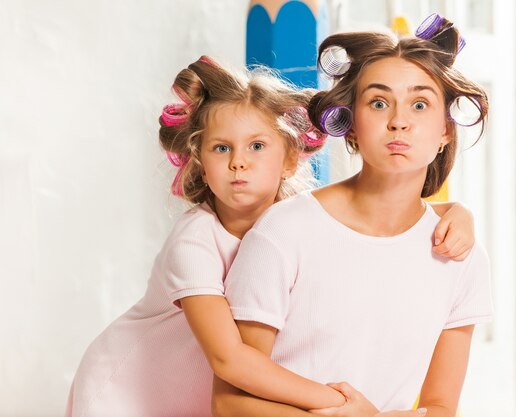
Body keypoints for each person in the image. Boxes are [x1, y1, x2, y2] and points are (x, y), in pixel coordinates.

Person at [65, 55, 474, 417]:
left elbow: (373, 214)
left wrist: (454, 211)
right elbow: (229, 359)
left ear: (289, 158)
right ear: (200, 163)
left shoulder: (291, 223)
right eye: (221, 149)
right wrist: (338, 404)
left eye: (257, 146)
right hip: (125, 395)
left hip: (193, 399)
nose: (239, 163)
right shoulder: (195, 242)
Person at [216, 14, 493, 417]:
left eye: (420, 104)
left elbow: (439, 407)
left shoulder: (460, 254)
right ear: (352, 126)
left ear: (446, 131)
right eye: (378, 102)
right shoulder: (284, 231)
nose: (399, 121)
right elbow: (228, 404)